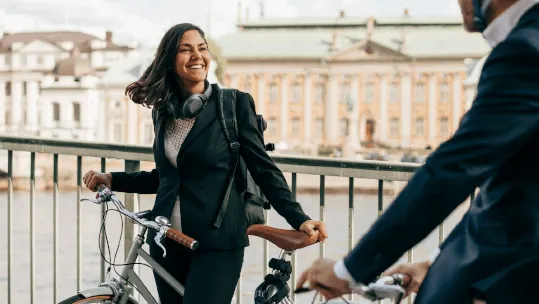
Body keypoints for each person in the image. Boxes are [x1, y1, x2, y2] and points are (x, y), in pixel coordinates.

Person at [297, 0, 539, 303]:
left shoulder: (526, 49)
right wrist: (435, 261)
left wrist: (349, 271)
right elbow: (510, 189)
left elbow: (452, 170)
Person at [83, 23, 327, 304]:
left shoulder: (234, 105)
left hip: (216, 242)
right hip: (166, 240)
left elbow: (263, 169)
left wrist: (299, 218)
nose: (196, 56)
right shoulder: (164, 112)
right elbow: (168, 177)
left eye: (202, 48)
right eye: (185, 50)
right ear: (169, 61)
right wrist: (113, 179)